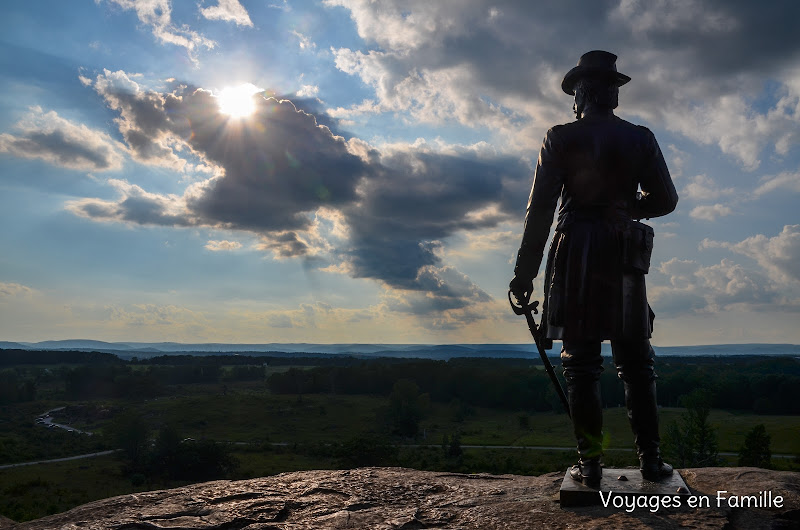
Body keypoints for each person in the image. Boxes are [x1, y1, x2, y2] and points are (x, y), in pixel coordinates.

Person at [509, 50, 679, 487]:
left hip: (578, 249)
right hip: (623, 251)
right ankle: (652, 462)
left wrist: (524, 271)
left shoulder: (561, 137)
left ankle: (590, 465)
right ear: (613, 96)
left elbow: (540, 210)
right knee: (637, 362)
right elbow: (665, 200)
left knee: (580, 364)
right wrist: (624, 211)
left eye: (576, 93)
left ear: (583, 93)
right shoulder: (641, 138)